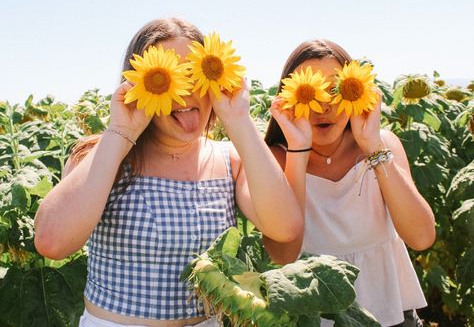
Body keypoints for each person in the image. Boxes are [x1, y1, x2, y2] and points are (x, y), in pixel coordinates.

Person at [34, 18, 303, 327]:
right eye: (169, 78)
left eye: (195, 75)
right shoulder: (107, 156)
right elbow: (52, 243)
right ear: (140, 85)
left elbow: (285, 229)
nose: (186, 93)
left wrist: (239, 120)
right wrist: (121, 130)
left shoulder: (229, 159)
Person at [263, 39, 435, 327]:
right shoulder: (277, 160)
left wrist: (372, 147)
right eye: (309, 93)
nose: (324, 105)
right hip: (316, 317)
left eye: (334, 89)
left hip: (393, 312)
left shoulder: (383, 146)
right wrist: (298, 151)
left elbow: (421, 237)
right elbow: (281, 255)